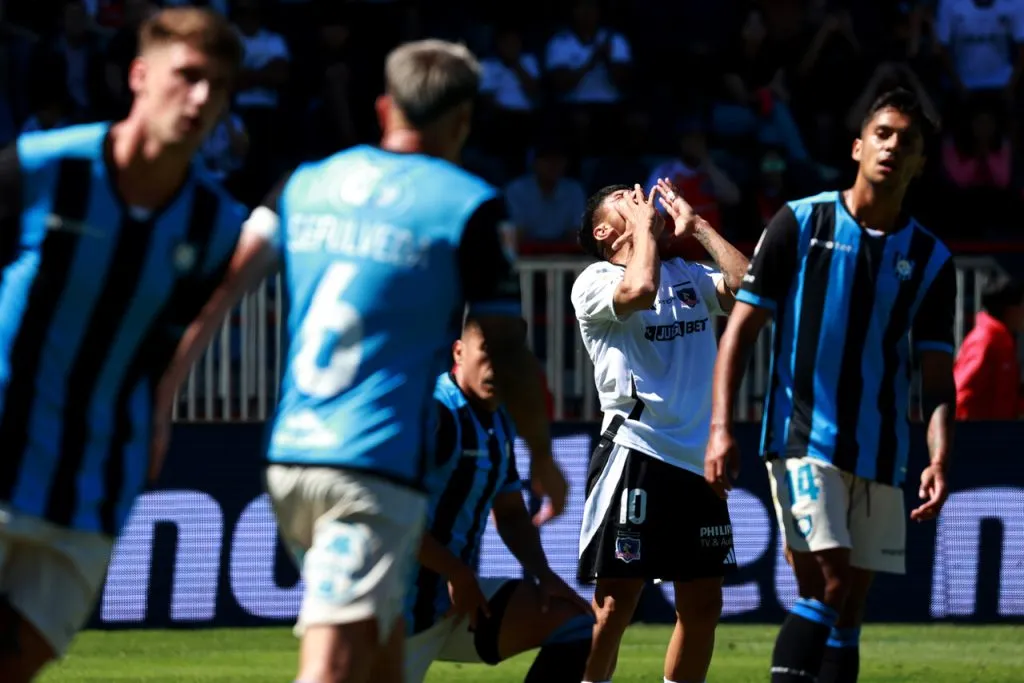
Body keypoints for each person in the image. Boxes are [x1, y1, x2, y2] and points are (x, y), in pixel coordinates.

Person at [159, 39, 568, 683]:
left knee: (379, 663)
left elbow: (221, 289)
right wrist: (542, 455)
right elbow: (507, 343)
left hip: (290, 456)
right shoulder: (469, 204)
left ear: (384, 108)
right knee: (334, 665)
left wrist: (162, 397)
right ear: (463, 120)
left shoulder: (305, 182)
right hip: (371, 466)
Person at [0, 7, 245, 681]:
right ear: (139, 75)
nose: (201, 99)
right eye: (187, 76)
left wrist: (159, 419)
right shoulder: (41, 170)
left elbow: (167, 346)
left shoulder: (215, 225)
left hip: (92, 491)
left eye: (219, 87)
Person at [705, 88, 957, 683]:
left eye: (907, 142)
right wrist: (721, 428)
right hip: (801, 439)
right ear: (857, 147)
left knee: (849, 610)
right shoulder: (800, 222)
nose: (892, 147)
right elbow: (740, 331)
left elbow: (936, 377)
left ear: (921, 163)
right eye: (883, 134)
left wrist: (939, 457)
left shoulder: (931, 259)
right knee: (831, 582)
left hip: (882, 450)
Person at [572, 178, 749, 683]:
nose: (640, 200)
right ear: (604, 231)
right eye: (625, 201)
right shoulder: (594, 281)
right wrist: (646, 230)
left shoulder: (687, 274)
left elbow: (751, 287)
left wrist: (700, 228)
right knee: (614, 604)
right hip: (636, 452)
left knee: (703, 604)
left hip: (697, 462)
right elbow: (640, 289)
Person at [404, 317, 594, 683]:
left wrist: (544, 575)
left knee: (573, 623)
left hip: (456, 599)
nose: (497, 367)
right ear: (459, 352)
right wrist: (455, 571)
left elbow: (509, 514)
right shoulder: (436, 414)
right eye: (487, 352)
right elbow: (388, 517)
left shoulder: (498, 420)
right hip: (395, 606)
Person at [954, 275, 1024, 420]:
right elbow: (962, 394)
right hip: (981, 433)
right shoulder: (985, 341)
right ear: (1011, 309)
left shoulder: (1002, 340)